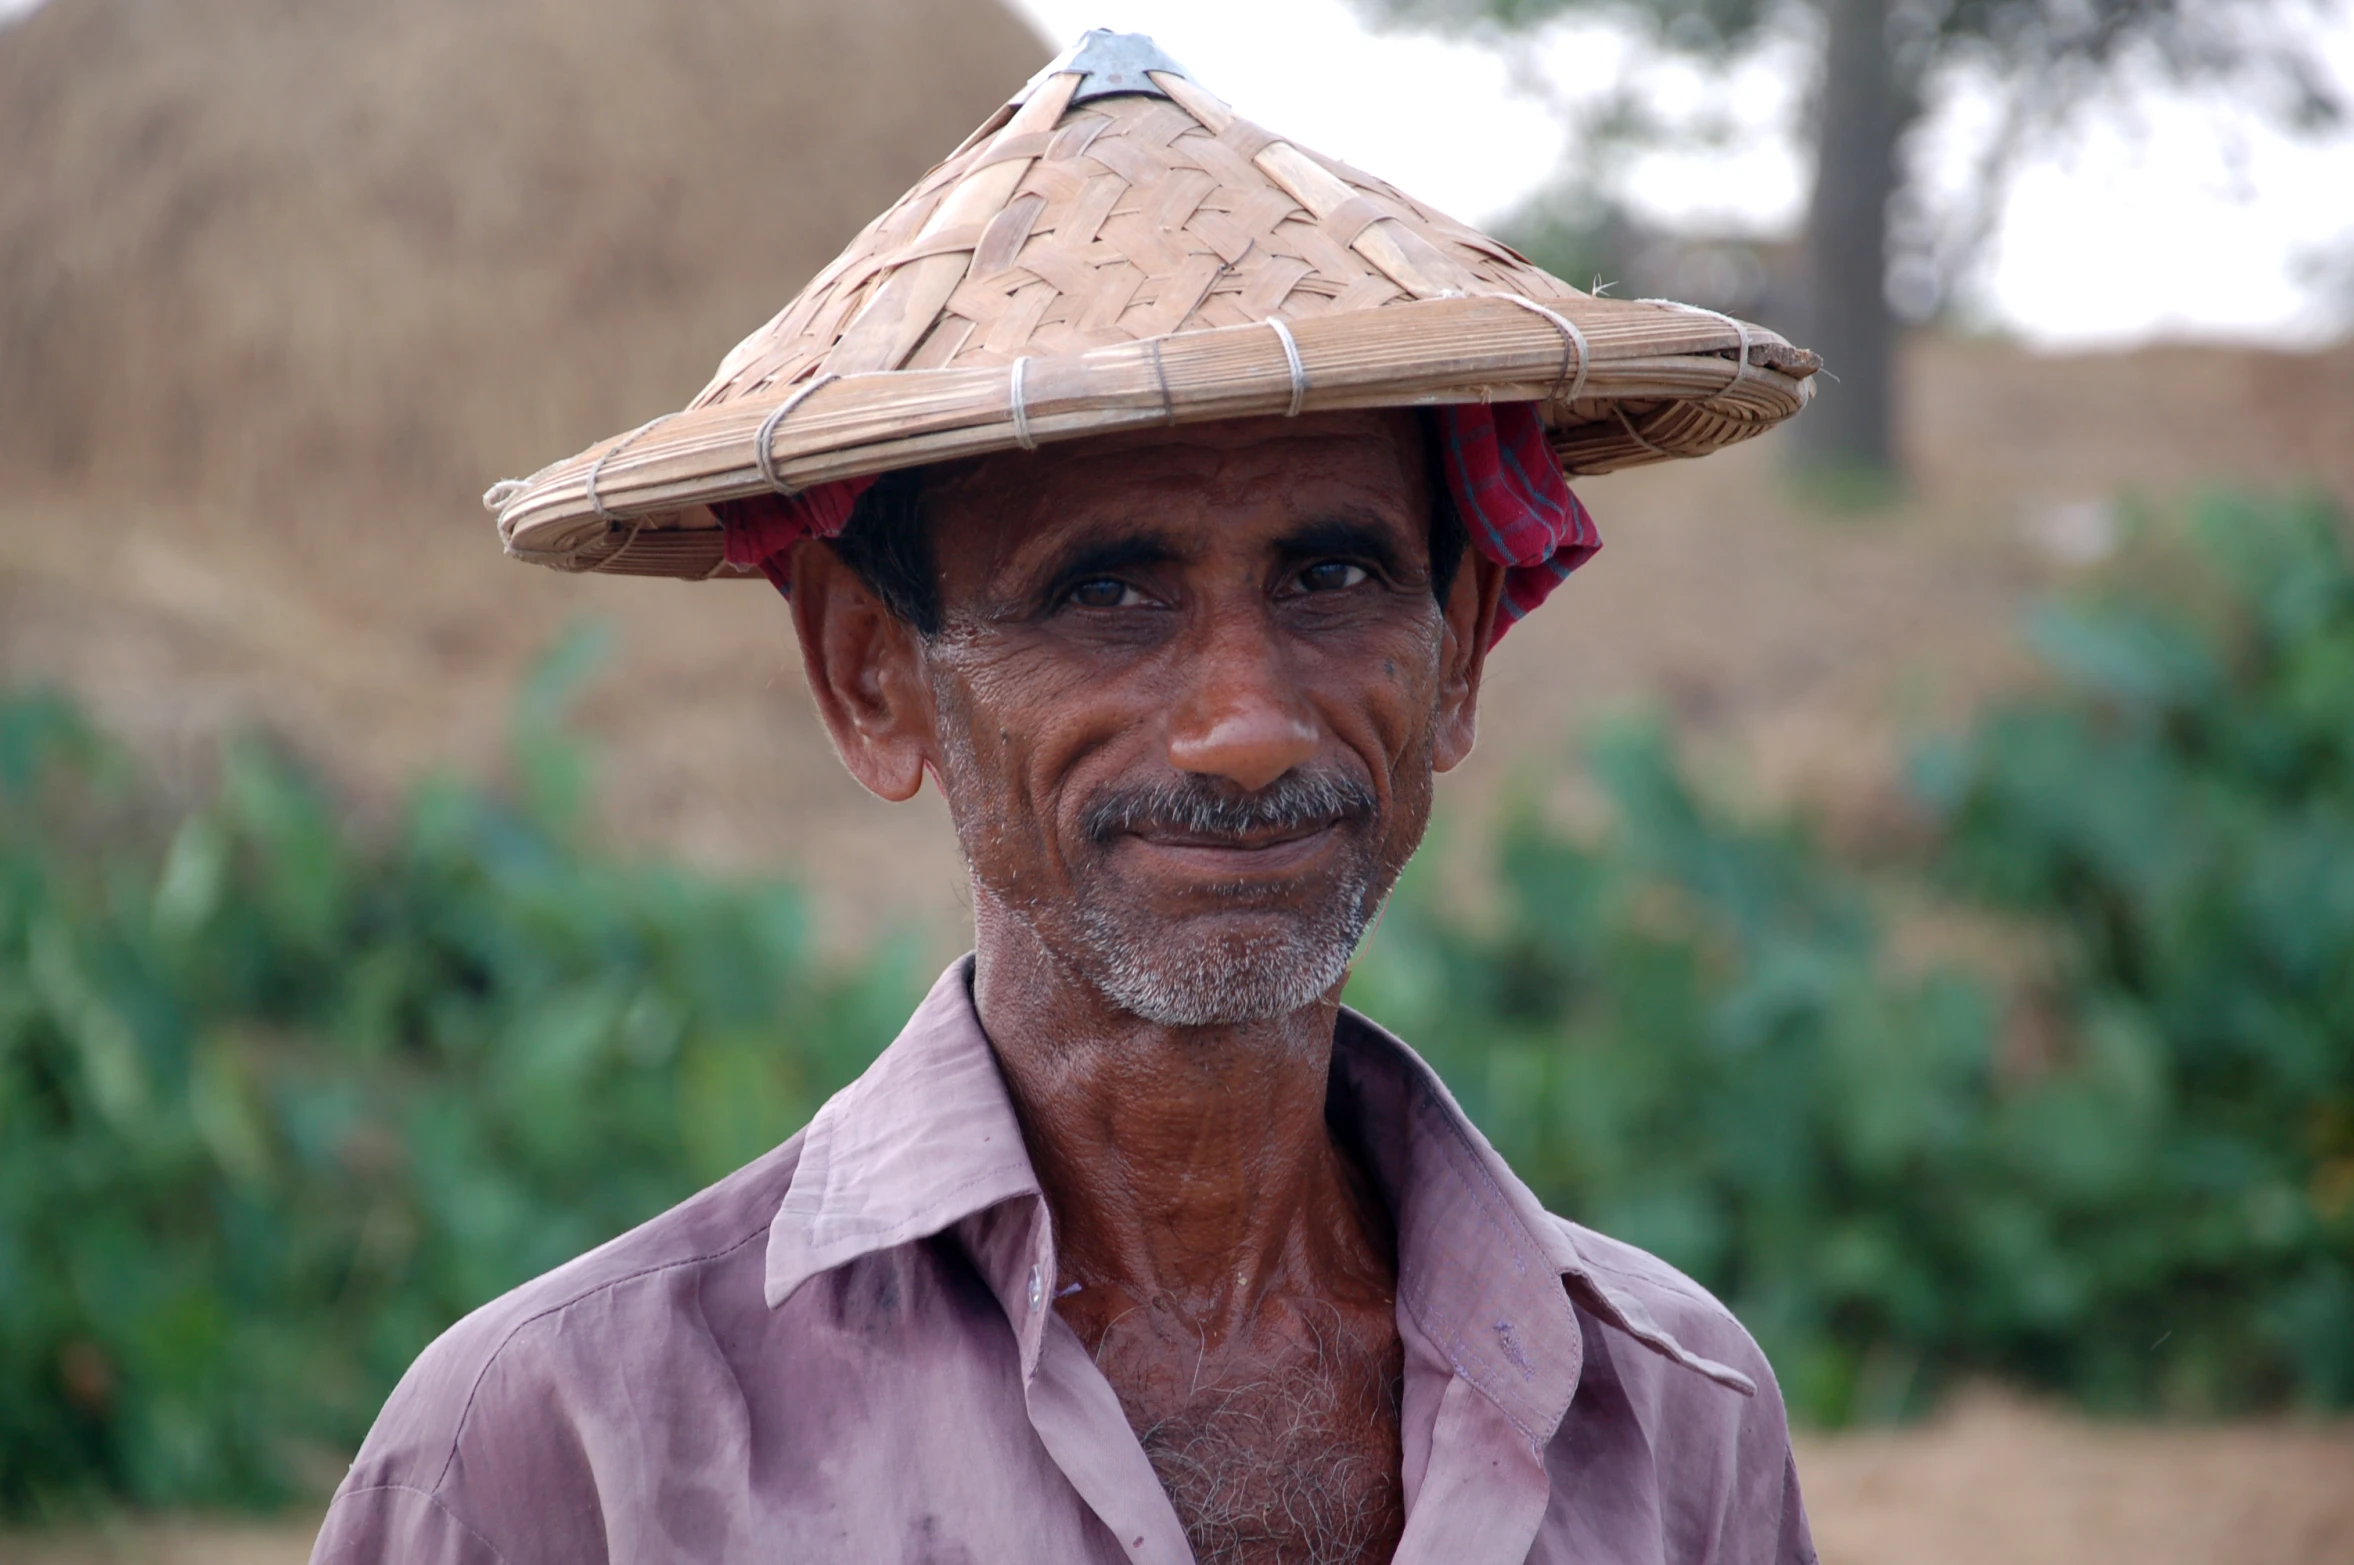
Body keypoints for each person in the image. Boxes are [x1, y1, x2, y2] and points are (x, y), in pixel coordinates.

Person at [316, 30, 1821, 1565]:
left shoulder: (1666, 1412)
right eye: (1105, 592)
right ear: (868, 678)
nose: (1244, 725)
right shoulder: (561, 1453)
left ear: (1455, 660)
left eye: (1333, 575)